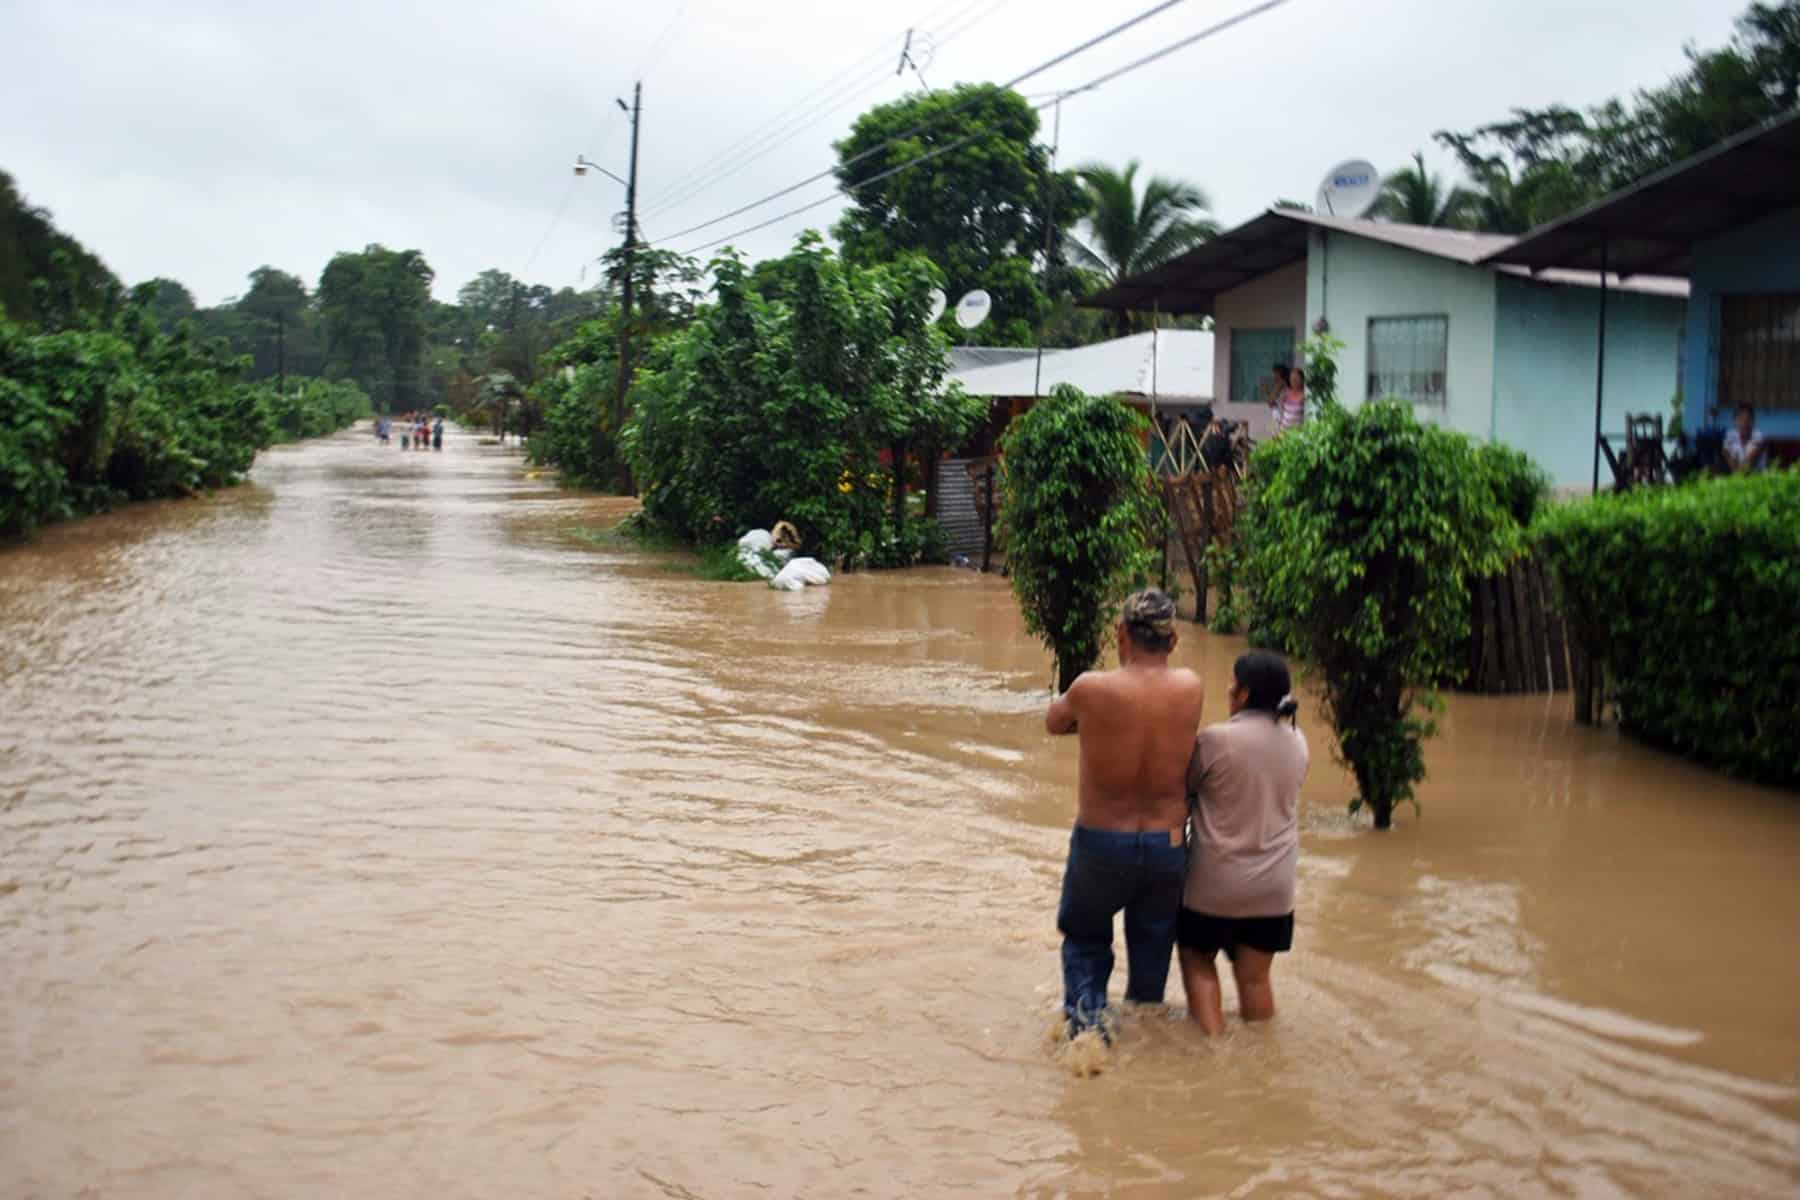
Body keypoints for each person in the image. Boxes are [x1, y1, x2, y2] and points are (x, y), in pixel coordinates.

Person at [1045, 589, 1206, 1038]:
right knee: (1154, 947)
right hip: (1168, 844)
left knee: (1084, 939)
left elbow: (1054, 722)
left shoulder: (1091, 689)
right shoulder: (1190, 688)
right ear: (1172, 641)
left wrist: (1095, 724)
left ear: (1120, 634)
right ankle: (1146, 1039)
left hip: (1101, 840)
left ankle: (1087, 1036)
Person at [1179, 651, 1309, 1036]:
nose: (1228, 687)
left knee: (1197, 961)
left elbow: (1184, 789)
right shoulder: (1298, 742)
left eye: (1233, 682)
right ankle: (1260, 1060)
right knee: (1254, 979)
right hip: (1274, 888)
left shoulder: (1215, 741)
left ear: (1244, 693)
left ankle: (1213, 1050)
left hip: (1214, 884)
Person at [1722, 404, 1767, 473]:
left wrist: (1738, 472)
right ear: (1735, 421)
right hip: (1736, 476)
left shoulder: (1759, 436)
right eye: (1740, 419)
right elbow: (1727, 455)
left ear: (1753, 421)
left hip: (1757, 476)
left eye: (1748, 419)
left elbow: (1750, 462)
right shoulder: (1730, 435)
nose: (1744, 423)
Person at [1271, 367, 1305, 436]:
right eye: (1291, 378)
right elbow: (1281, 413)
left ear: (1302, 380)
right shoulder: (1285, 394)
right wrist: (1277, 429)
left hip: (1298, 433)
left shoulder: (1305, 395)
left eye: (1296, 378)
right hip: (1284, 432)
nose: (1293, 380)